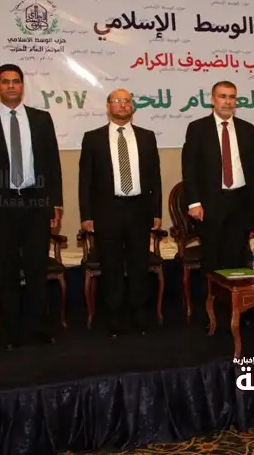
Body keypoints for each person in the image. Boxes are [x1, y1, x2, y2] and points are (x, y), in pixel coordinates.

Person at [0, 63, 63, 349]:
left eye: (16, 81)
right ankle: (11, 332)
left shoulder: (41, 119)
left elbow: (52, 165)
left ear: (22, 85)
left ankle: (38, 328)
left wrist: (55, 204)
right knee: (7, 272)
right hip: (0, 206)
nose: (11, 86)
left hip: (35, 203)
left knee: (36, 270)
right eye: (5, 81)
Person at [79, 89, 162, 337]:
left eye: (127, 101)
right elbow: (85, 181)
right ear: (108, 106)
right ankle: (114, 319)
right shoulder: (93, 138)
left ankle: (140, 316)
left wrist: (156, 212)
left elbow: (155, 178)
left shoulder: (147, 137)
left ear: (132, 106)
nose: (123, 105)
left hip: (139, 210)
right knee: (111, 267)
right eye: (117, 101)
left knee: (139, 266)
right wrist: (86, 215)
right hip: (107, 211)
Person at [182, 81, 254, 273]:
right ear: (213, 100)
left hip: (241, 202)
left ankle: (235, 293)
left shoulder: (247, 128)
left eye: (232, 97)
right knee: (212, 259)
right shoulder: (197, 128)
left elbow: (253, 168)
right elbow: (189, 168)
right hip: (210, 204)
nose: (228, 101)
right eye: (223, 96)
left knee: (238, 257)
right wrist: (194, 203)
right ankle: (211, 293)